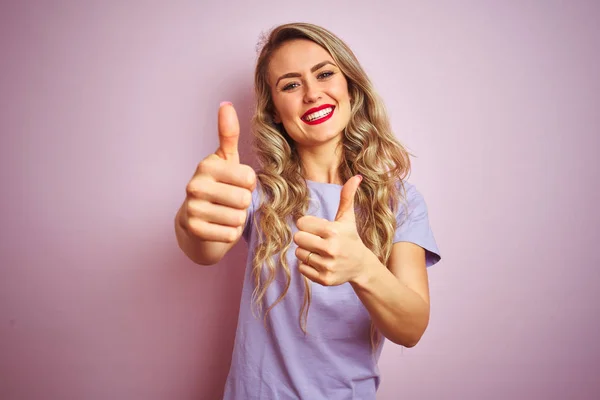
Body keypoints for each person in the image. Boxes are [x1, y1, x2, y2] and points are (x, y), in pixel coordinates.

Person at [174, 22, 441, 400]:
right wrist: (193, 220)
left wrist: (362, 267)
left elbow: (411, 328)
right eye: (290, 84)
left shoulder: (400, 200)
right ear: (276, 112)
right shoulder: (257, 191)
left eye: (325, 74)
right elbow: (204, 248)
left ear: (350, 86)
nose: (313, 93)